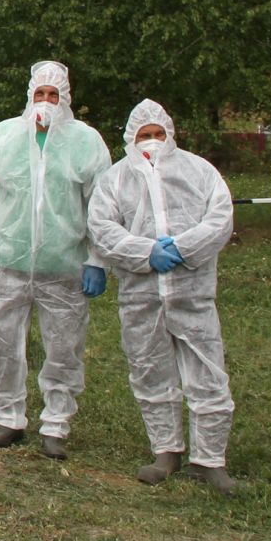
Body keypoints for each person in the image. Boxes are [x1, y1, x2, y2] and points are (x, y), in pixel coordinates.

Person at [0, 61, 112, 457]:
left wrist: (98, 258)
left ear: (65, 99)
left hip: (64, 267)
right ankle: (8, 417)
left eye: (53, 95)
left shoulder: (86, 142)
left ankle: (56, 423)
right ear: (29, 96)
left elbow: (104, 206)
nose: (45, 102)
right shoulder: (4, 137)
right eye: (39, 94)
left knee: (64, 346)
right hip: (10, 262)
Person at [88, 100, 237, 493]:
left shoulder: (199, 171)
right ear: (130, 140)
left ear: (170, 135)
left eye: (157, 134)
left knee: (207, 371)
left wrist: (185, 247)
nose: (151, 142)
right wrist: (145, 252)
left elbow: (220, 219)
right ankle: (166, 451)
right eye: (143, 136)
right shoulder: (115, 179)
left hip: (193, 292)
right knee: (150, 370)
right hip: (141, 295)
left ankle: (210, 459)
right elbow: (102, 228)